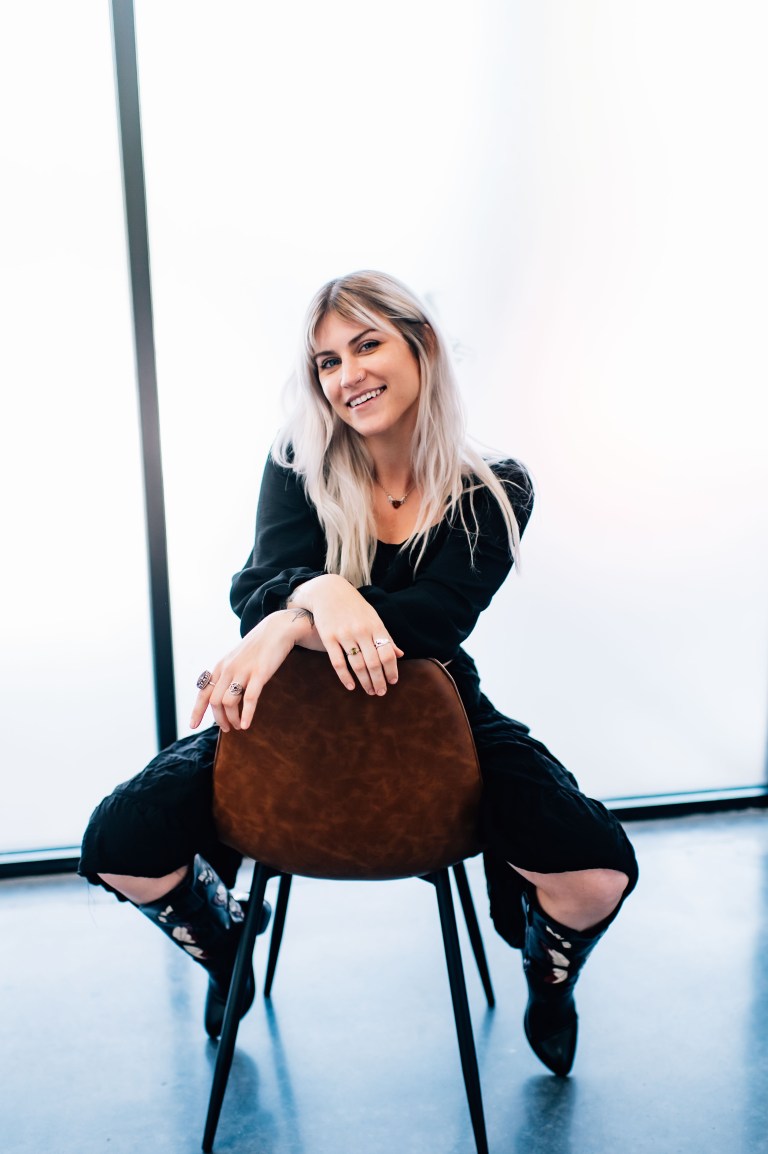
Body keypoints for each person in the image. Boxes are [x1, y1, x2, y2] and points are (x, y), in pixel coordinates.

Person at [79, 269, 638, 1074]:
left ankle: (549, 975)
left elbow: (434, 620)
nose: (347, 376)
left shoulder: (494, 487)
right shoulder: (297, 462)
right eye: (327, 362)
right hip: (288, 718)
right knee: (119, 845)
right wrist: (317, 591)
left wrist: (294, 618)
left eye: (366, 344)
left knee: (597, 873)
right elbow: (254, 588)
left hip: (438, 712)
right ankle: (224, 940)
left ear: (424, 346)